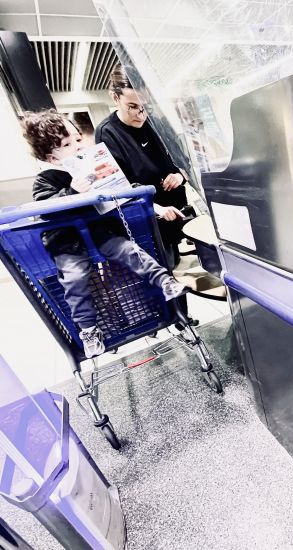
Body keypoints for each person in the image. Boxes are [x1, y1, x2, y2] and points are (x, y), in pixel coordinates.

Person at [22, 109, 189, 359]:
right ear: (52, 157)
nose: (77, 146)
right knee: (74, 278)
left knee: (130, 251)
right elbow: (46, 208)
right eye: (67, 145)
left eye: (78, 139)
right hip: (67, 242)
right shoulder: (46, 179)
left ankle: (165, 282)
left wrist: (152, 203)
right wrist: (71, 192)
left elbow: (122, 190)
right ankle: (88, 329)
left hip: (101, 232)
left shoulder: (93, 166)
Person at [94, 63, 189, 269]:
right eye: (132, 106)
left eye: (144, 106)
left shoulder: (156, 123)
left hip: (175, 214)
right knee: (163, 271)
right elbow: (116, 189)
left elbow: (184, 162)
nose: (140, 115)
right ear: (115, 97)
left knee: (177, 265)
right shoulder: (107, 133)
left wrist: (179, 175)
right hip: (145, 220)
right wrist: (156, 209)